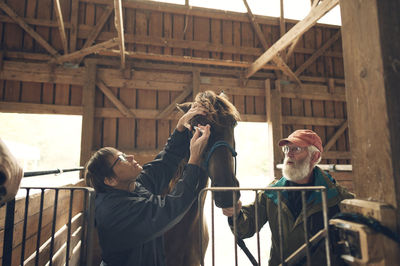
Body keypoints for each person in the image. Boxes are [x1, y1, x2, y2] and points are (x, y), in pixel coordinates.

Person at [84, 105, 211, 266]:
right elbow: (171, 208)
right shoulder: (116, 211)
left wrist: (180, 128)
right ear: (110, 180)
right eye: (121, 159)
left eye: (123, 154)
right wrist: (194, 160)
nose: (129, 156)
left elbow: (164, 163)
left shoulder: (131, 187)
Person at [222, 129, 354, 266]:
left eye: (296, 149)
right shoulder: (271, 193)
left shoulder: (335, 196)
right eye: (286, 148)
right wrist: (235, 214)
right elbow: (246, 228)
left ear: (315, 156)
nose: (288, 154)